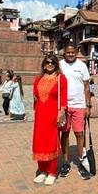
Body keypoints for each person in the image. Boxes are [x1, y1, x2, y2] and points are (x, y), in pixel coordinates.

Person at [32, 55, 67, 185]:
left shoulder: (61, 79)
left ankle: (52, 172)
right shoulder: (38, 78)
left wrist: (61, 112)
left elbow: (63, 97)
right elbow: (35, 96)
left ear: (56, 64)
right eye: (47, 62)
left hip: (53, 115)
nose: (50, 64)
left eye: (52, 62)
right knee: (39, 141)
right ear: (44, 64)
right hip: (40, 115)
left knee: (52, 142)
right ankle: (42, 170)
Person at [59, 44, 92, 180]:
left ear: (76, 53)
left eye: (73, 52)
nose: (71, 54)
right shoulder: (60, 65)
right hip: (64, 106)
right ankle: (66, 162)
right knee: (65, 133)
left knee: (79, 134)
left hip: (79, 105)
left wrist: (88, 105)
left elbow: (86, 86)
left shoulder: (82, 66)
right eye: (68, 52)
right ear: (64, 53)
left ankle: (81, 162)